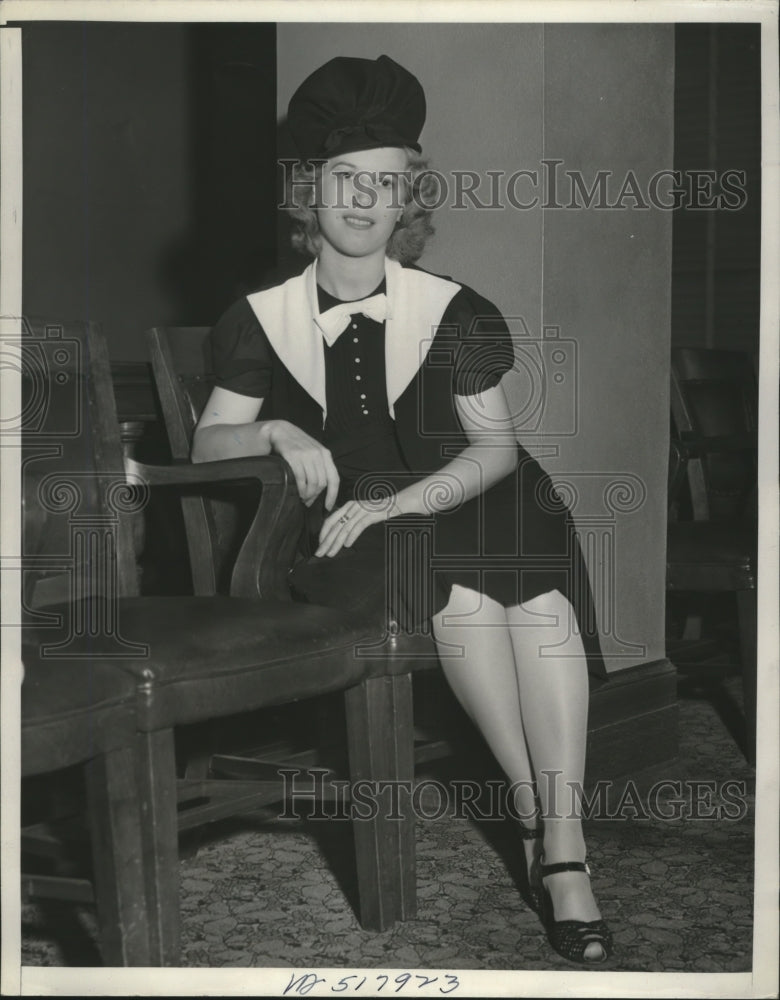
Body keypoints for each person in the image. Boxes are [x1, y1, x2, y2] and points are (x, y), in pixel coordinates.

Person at [192, 54, 612, 965]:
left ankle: (564, 845)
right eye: (345, 180)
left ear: (406, 201)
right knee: (458, 594)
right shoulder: (259, 317)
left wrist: (403, 504)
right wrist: (272, 435)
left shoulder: (453, 309)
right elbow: (205, 444)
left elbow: (496, 449)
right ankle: (540, 822)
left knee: (535, 599)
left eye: (383, 185)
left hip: (472, 492)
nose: (361, 201)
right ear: (311, 191)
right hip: (353, 529)